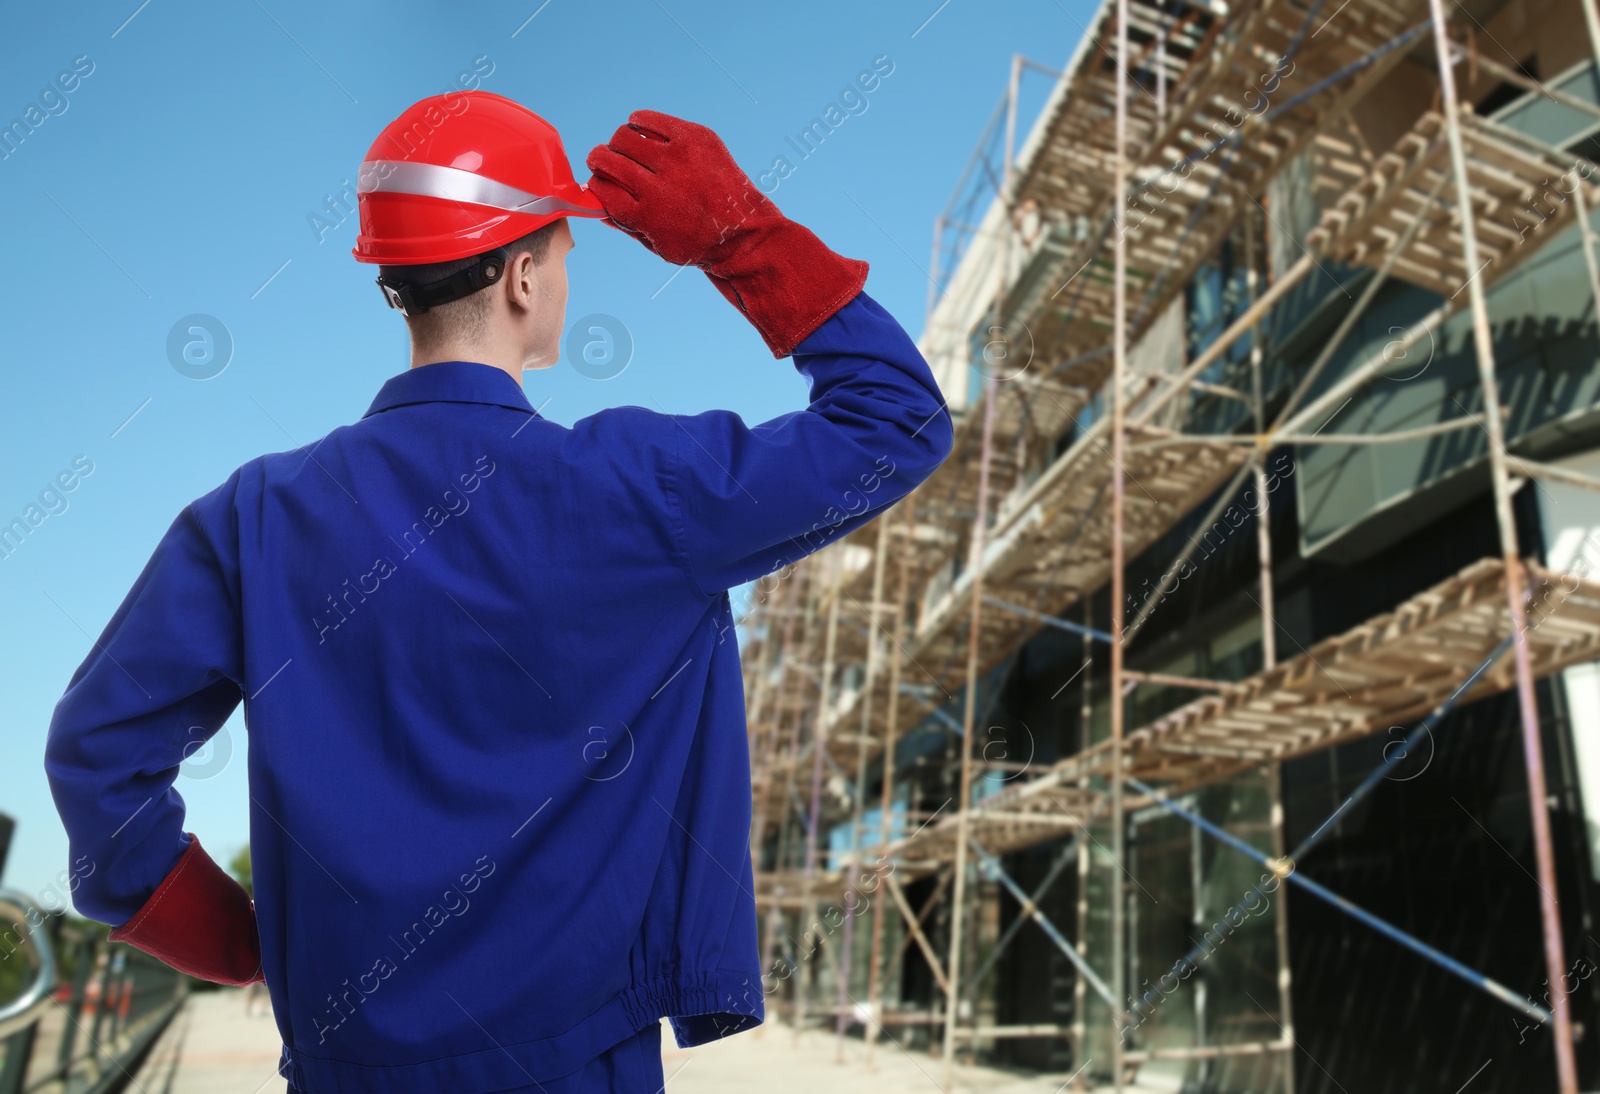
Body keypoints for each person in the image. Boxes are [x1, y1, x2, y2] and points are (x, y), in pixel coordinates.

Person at [43, 91, 953, 1092]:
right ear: (523, 275)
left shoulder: (256, 515)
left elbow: (98, 763)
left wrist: (245, 946)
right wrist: (737, 235)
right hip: (577, 1060)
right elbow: (896, 417)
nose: (565, 280)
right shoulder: (641, 489)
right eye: (565, 255)